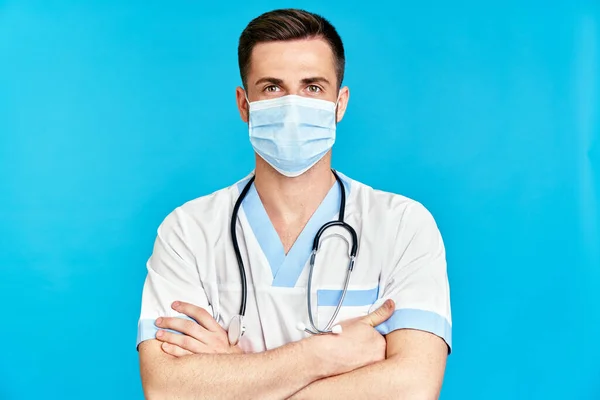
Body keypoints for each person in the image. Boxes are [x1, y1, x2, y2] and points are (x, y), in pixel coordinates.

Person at [136, 8, 452, 399]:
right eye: (272, 88)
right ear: (243, 104)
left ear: (341, 102)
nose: (292, 106)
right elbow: (167, 389)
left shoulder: (403, 225)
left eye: (312, 87)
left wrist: (233, 376)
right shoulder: (188, 230)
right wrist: (323, 356)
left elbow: (412, 387)